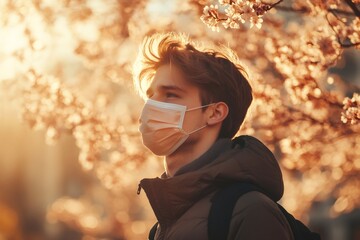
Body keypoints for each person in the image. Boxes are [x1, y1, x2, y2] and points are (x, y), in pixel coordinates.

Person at [133, 32, 294, 240]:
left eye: (170, 94)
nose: (152, 106)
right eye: (151, 95)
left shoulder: (250, 211)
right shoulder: (161, 227)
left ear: (215, 113)